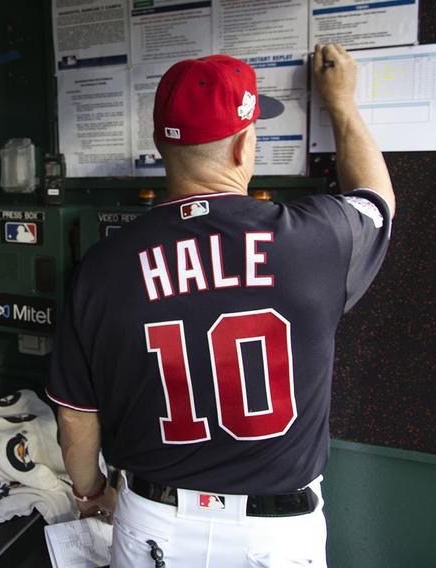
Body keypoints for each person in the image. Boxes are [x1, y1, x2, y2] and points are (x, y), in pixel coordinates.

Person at [46, 44, 394, 567]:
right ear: (243, 147)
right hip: (274, 537)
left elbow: (75, 416)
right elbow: (376, 198)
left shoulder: (102, 265)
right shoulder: (317, 239)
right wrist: (340, 102)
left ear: (163, 145)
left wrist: (91, 493)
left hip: (153, 525)